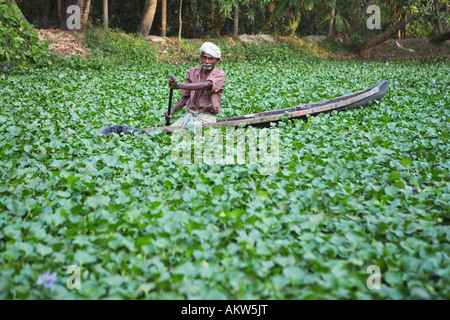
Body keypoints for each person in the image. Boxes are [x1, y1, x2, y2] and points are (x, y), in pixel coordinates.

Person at [166, 42, 226, 126]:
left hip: (207, 117)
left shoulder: (220, 74)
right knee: (170, 133)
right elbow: (186, 97)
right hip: (190, 115)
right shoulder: (192, 72)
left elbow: (206, 85)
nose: (207, 62)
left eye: (210, 59)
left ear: (217, 61)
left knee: (190, 134)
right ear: (200, 57)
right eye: (204, 58)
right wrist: (172, 110)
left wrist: (179, 86)